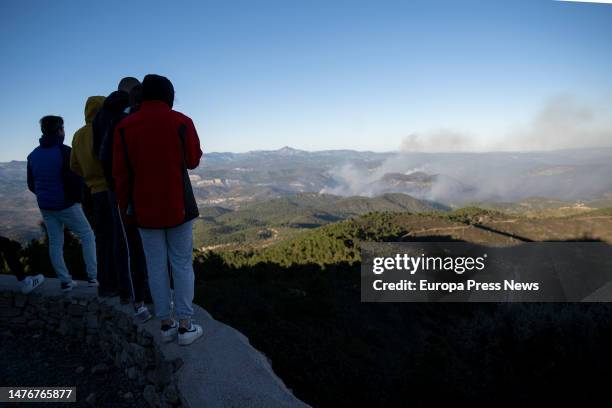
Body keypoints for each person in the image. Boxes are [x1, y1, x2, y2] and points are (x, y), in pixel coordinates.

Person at [113, 74, 203, 345]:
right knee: (181, 263)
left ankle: (166, 324)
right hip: (179, 205)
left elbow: (121, 174)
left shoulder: (124, 127)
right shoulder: (182, 122)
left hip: (143, 208)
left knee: (155, 265)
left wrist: (126, 208)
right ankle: (186, 324)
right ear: (169, 94)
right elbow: (193, 160)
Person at [93, 79, 152, 324]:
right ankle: (134, 294)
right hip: (121, 189)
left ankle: (129, 290)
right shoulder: (117, 117)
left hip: (114, 188)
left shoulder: (103, 116)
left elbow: (100, 154)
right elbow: (106, 156)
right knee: (129, 244)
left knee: (124, 242)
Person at [27, 115, 97, 292]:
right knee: (87, 235)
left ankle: (65, 281)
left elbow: (31, 184)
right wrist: (75, 199)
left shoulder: (33, 155)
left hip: (46, 205)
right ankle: (93, 277)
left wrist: (45, 196)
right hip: (66, 204)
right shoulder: (65, 152)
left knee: (55, 242)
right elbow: (76, 179)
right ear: (59, 130)